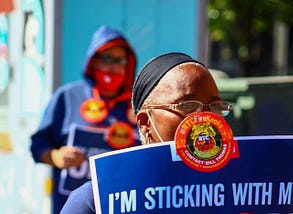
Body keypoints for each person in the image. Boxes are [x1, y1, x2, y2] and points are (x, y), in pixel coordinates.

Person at [60, 52, 232, 213]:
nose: (205, 119)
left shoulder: (240, 191)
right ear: (144, 123)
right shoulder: (98, 200)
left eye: (216, 107)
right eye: (187, 106)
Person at [30, 25, 140, 214]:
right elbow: (37, 144)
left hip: (124, 206)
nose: (113, 66)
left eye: (120, 60)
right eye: (106, 59)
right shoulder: (67, 96)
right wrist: (56, 157)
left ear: (127, 65)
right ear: (93, 61)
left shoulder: (139, 103)